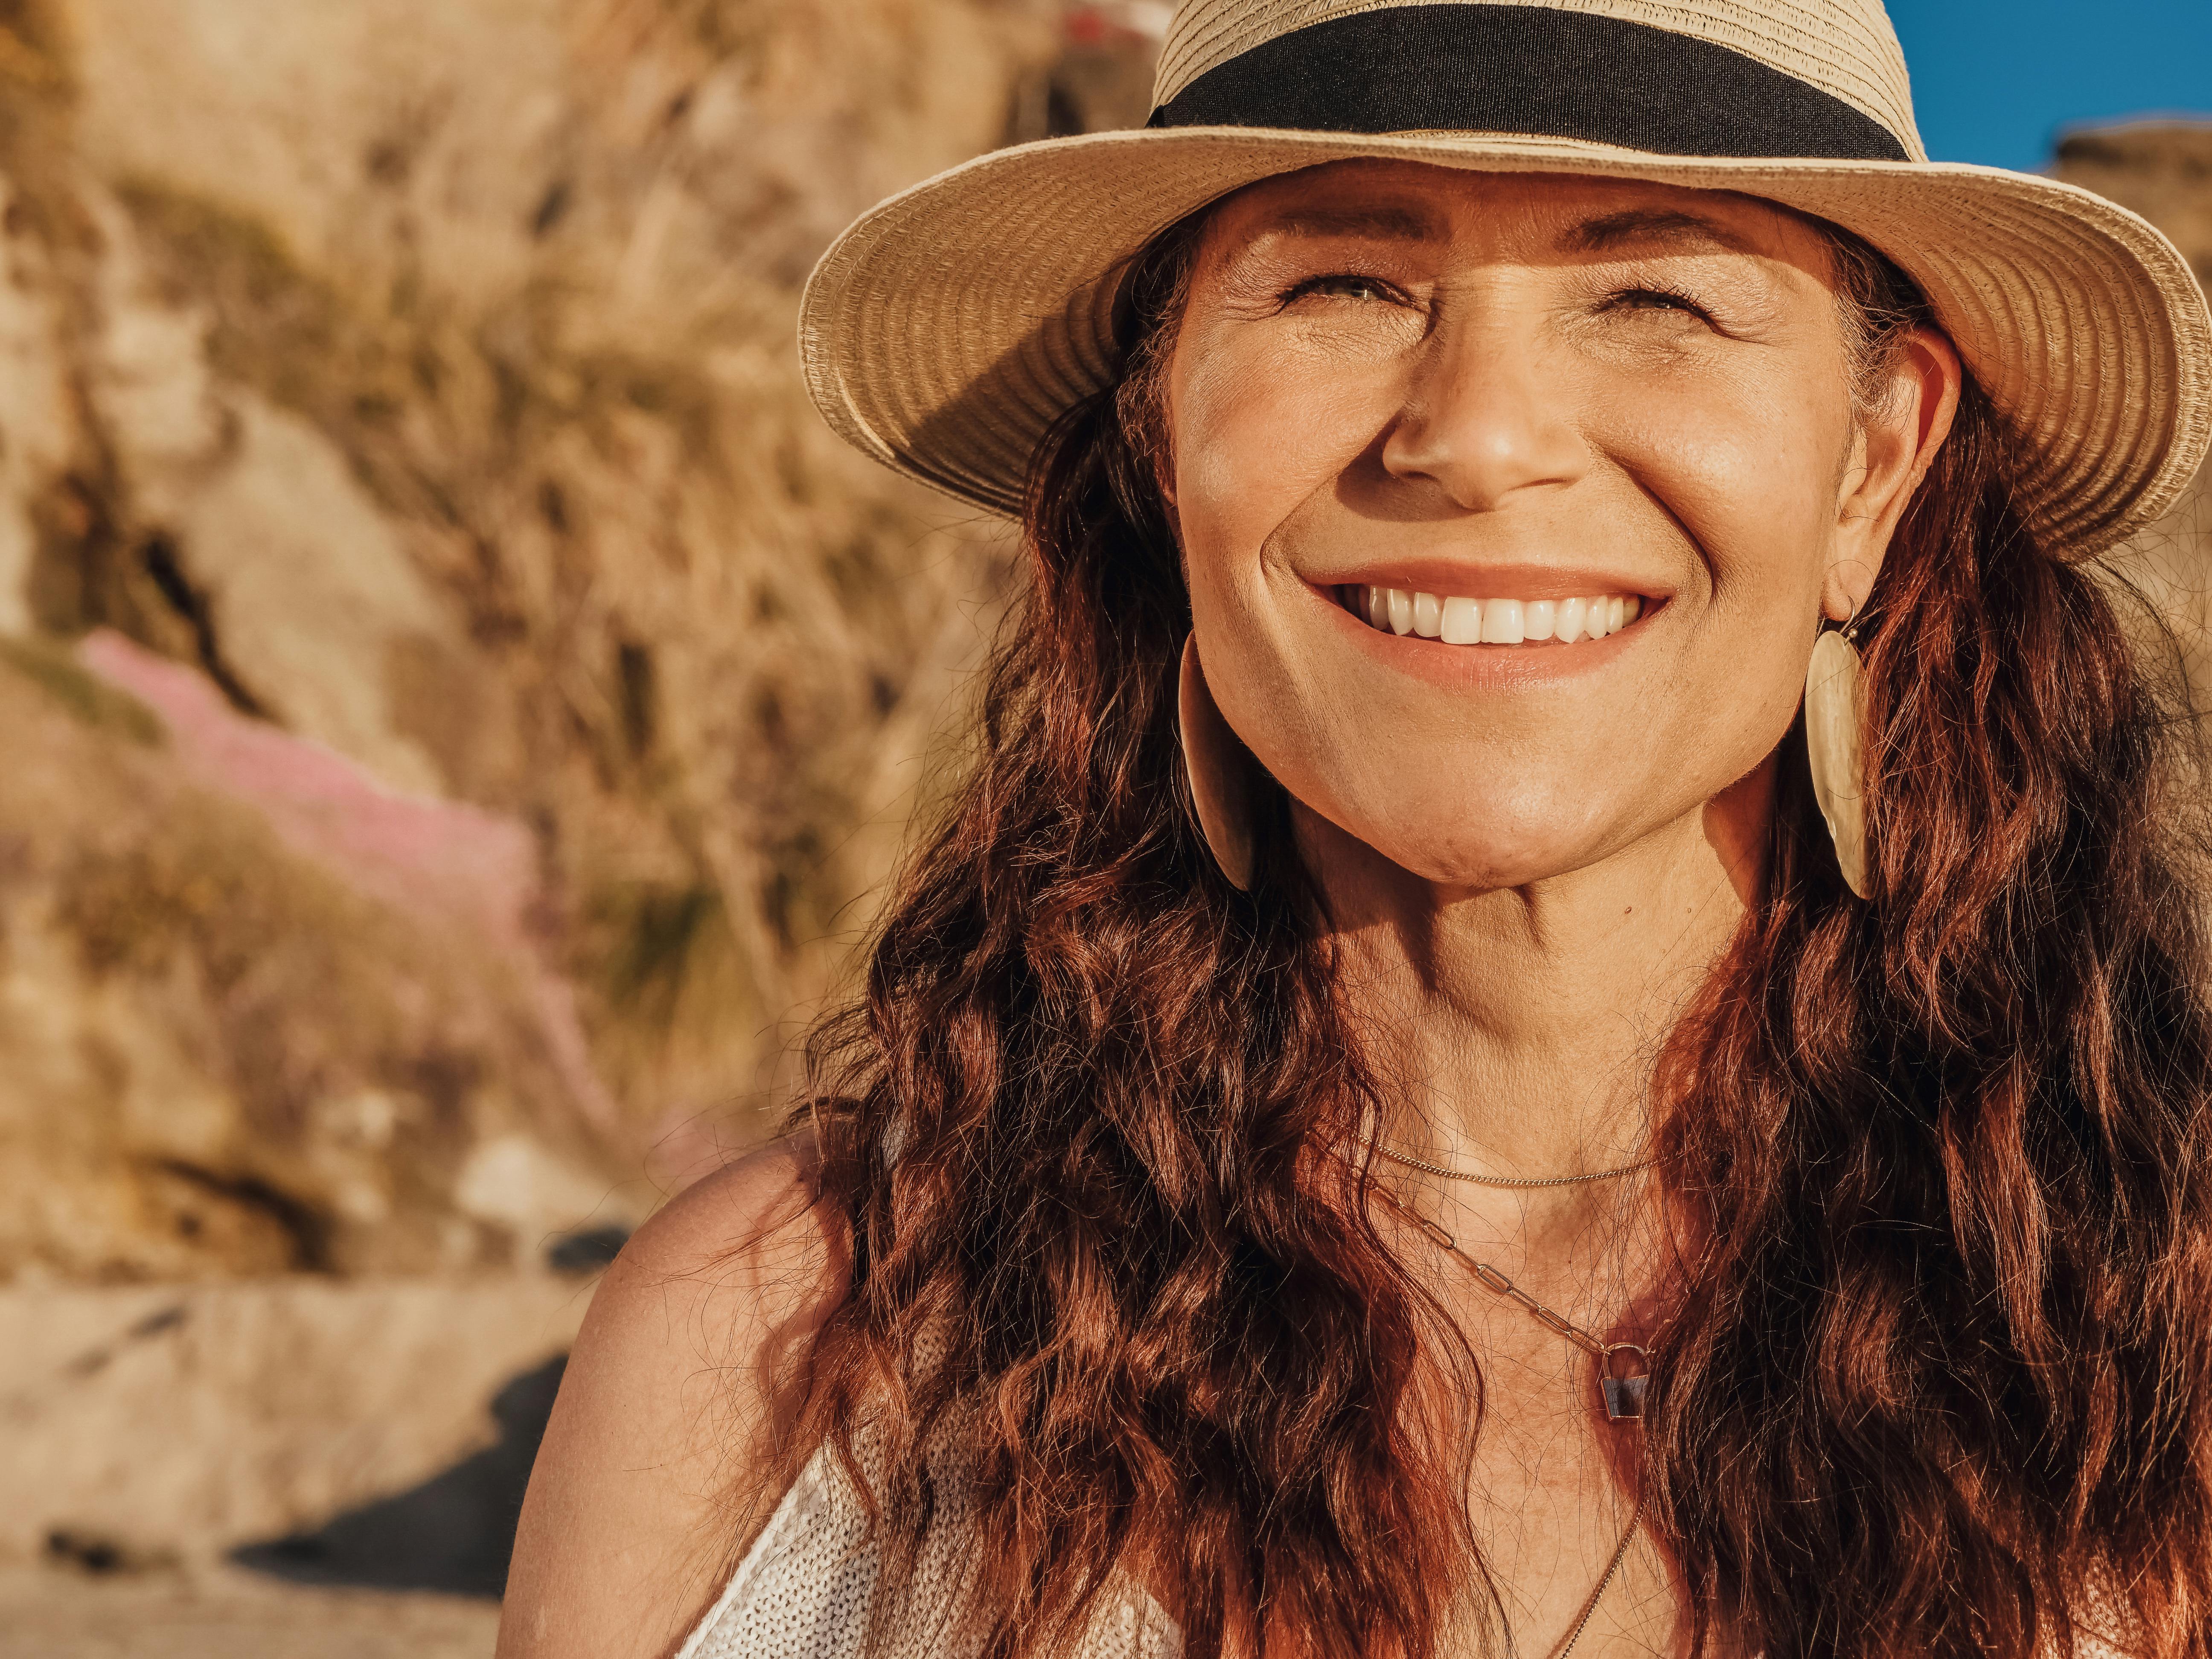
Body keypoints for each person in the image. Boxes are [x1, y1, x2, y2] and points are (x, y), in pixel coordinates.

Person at [499, 0, 2212, 1654]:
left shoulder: (2162, 1348)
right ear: (1162, 436)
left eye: (1652, 296)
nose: (1474, 434)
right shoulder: (779, 1356)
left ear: (1873, 468)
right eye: (1343, 282)